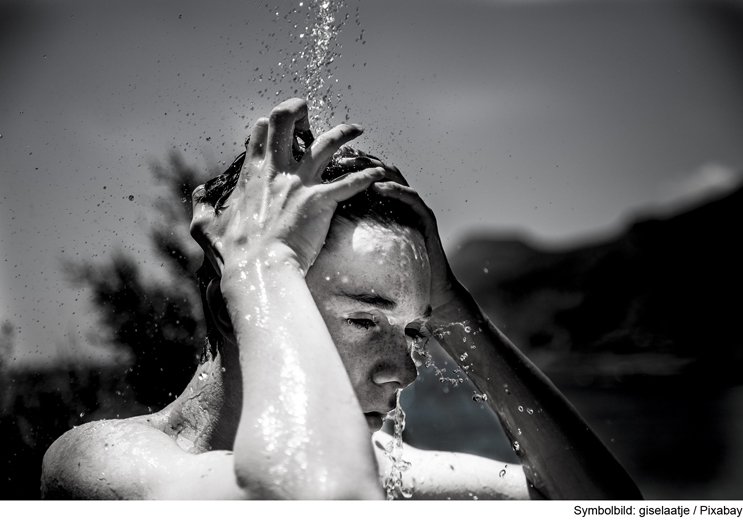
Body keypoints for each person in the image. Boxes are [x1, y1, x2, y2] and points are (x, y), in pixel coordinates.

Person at [41, 99, 642, 500]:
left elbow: (604, 511)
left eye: (412, 331)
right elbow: (316, 500)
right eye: (363, 320)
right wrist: (261, 264)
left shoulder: (385, 464)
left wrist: (456, 309)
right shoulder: (102, 462)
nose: (405, 371)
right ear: (235, 305)